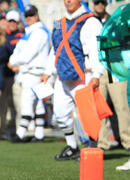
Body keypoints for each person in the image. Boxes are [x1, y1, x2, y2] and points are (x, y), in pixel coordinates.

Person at [41, 0, 104, 160]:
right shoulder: (59, 23)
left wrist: (96, 74)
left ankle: (91, 149)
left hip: (85, 75)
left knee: (88, 115)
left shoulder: (91, 21)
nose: (68, 1)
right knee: (60, 114)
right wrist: (48, 71)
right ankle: (72, 146)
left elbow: (97, 50)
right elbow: (56, 49)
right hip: (63, 76)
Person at [8, 5, 51, 143]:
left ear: (37, 15)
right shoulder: (30, 31)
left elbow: (27, 54)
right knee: (37, 103)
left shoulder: (39, 32)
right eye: (26, 15)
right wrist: (14, 60)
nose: (28, 18)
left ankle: (21, 132)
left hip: (34, 71)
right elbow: (19, 51)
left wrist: (13, 61)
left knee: (27, 101)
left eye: (31, 15)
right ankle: (39, 134)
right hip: (31, 71)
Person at [92, 0, 130, 152]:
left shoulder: (116, 21)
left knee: (122, 106)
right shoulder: (88, 21)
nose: (100, 4)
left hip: (114, 68)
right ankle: (102, 143)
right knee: (99, 108)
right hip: (98, 70)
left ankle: (127, 141)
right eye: (96, 2)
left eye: (102, 2)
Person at [3, 10, 24, 141]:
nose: (11, 24)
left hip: (17, 74)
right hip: (5, 75)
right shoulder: (3, 36)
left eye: (14, 22)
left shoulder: (22, 36)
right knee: (6, 105)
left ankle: (19, 130)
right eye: (9, 21)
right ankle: (8, 129)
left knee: (18, 104)